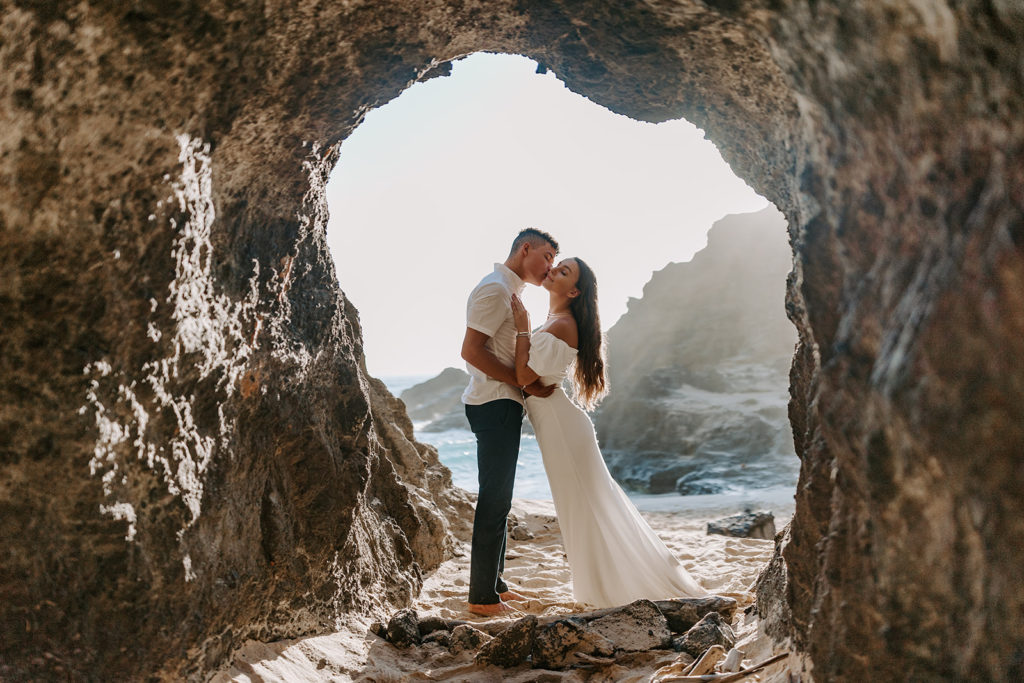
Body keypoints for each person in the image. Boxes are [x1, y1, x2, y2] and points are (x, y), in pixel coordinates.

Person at [510, 257, 707, 608]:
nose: (553, 270)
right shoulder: (554, 320)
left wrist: (523, 329)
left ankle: (609, 588)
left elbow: (526, 378)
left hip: (562, 426)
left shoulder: (565, 324)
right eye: (557, 265)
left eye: (564, 271)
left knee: (587, 506)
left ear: (574, 291)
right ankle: (598, 585)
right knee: (582, 507)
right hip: (556, 422)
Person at [461, 228, 559, 617]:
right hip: (493, 402)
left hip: (500, 402)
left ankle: (495, 585)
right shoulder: (495, 290)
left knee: (501, 499)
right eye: (547, 256)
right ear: (525, 248)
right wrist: (519, 381)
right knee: (494, 499)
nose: (550, 267)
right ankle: (481, 597)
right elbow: (471, 351)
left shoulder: (508, 290)